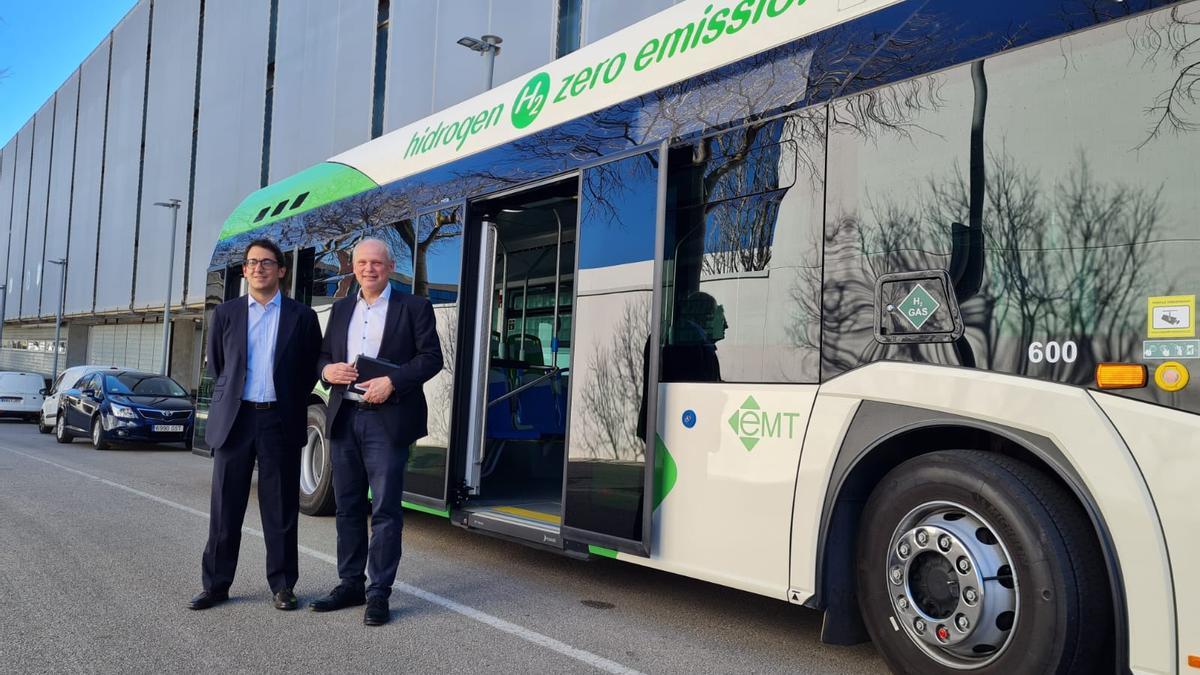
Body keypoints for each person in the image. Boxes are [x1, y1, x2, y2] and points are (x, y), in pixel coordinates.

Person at [310, 238, 442, 626]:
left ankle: (378, 593)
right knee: (347, 505)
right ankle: (350, 583)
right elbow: (322, 355)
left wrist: (394, 382)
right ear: (353, 267)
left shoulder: (414, 307)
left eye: (377, 263)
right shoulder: (340, 308)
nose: (369, 269)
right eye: (362, 263)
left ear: (389, 267)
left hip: (387, 419)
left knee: (384, 509)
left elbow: (431, 358)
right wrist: (326, 372)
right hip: (344, 417)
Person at [189, 239, 322, 611]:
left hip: (279, 419)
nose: (258, 268)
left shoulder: (302, 316)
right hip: (236, 418)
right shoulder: (227, 314)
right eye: (252, 263)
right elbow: (218, 366)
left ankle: (282, 585)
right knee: (225, 507)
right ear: (245, 271)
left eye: (267, 262)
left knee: (280, 509)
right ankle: (215, 585)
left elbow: (310, 368)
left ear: (281, 270)